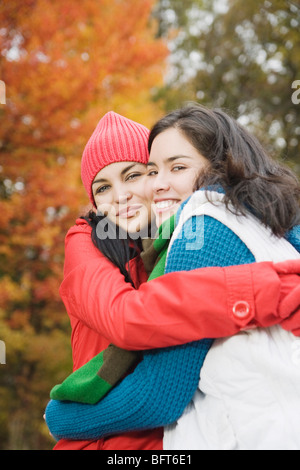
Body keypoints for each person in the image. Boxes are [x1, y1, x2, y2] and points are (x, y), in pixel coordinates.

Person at [45, 107, 300, 450]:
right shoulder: (87, 241)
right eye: (102, 188)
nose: (120, 196)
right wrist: (59, 416)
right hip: (105, 442)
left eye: (134, 175)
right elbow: (126, 319)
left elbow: (159, 391)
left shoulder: (189, 233)